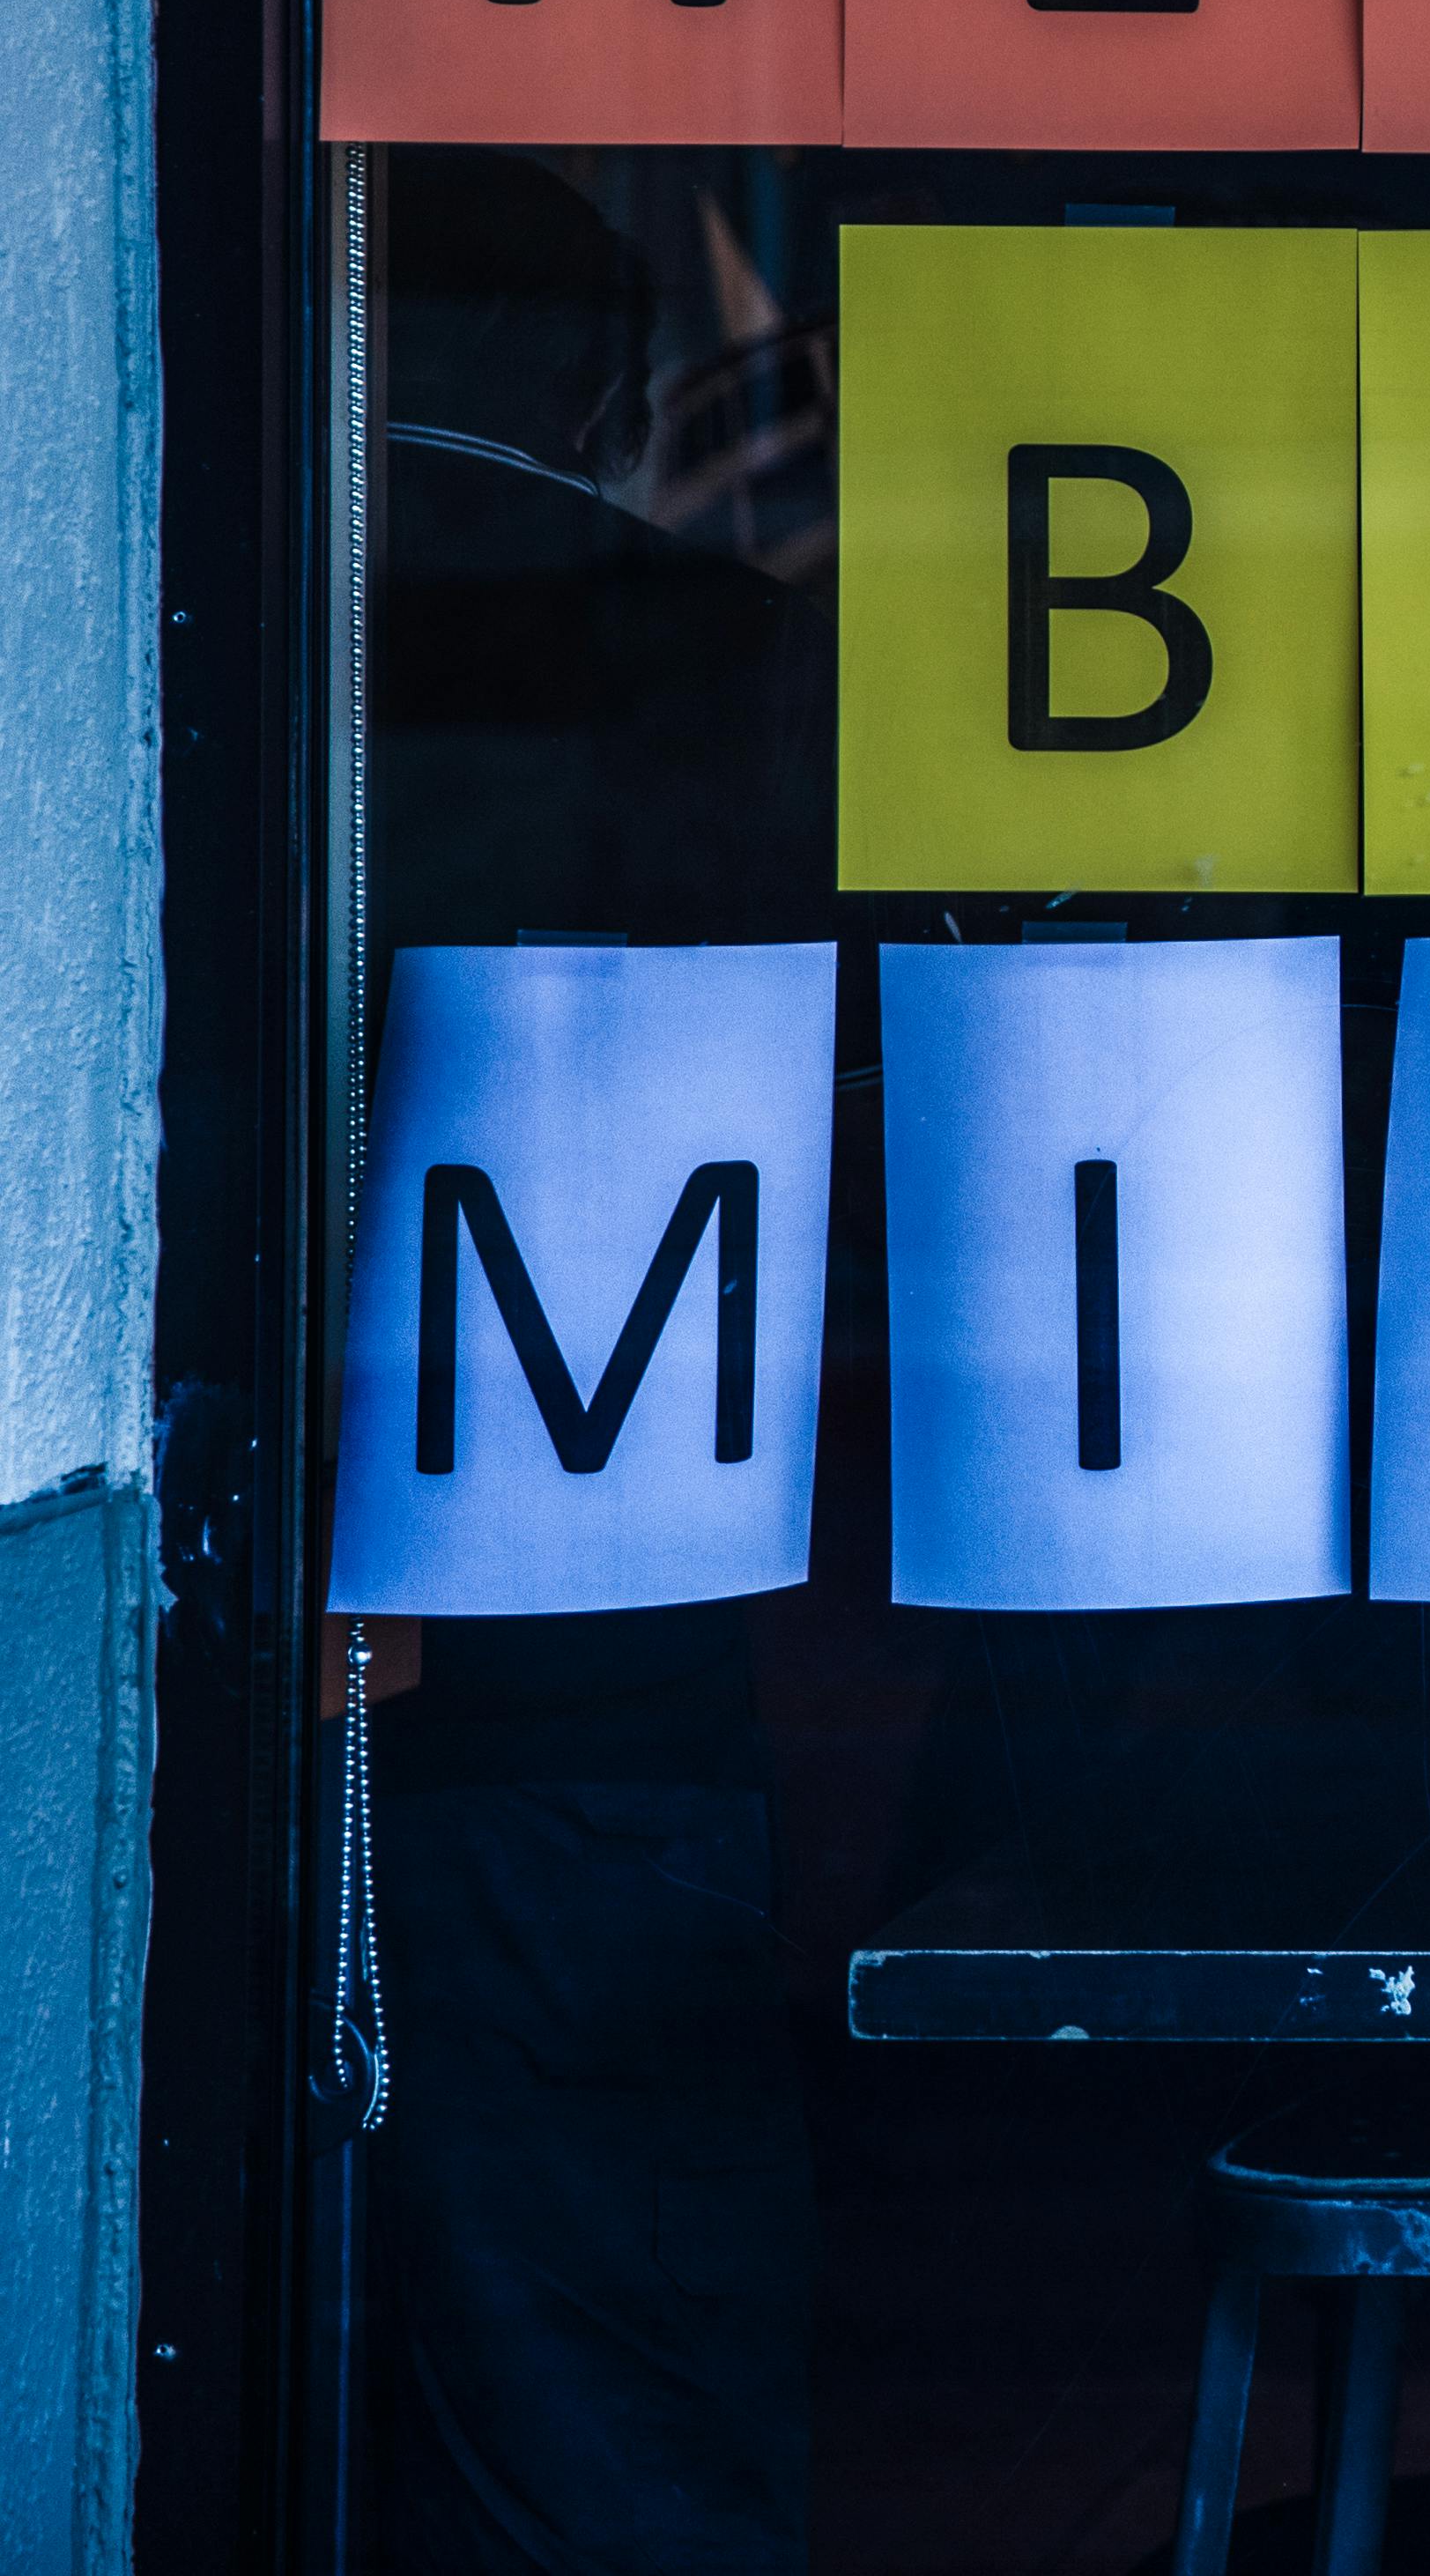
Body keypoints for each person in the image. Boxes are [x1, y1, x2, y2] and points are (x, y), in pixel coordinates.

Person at [355, 151, 826, 2576]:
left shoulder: (182, 623)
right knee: (604, 2386)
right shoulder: (708, 662)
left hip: (283, 1604)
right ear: (610, 386)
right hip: (605, 1604)